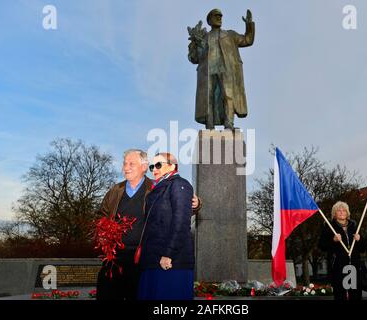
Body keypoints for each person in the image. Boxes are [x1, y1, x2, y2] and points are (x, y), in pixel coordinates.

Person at [96, 149, 201, 300]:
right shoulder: (115, 190)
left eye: (131, 163)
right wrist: (102, 234)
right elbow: (102, 215)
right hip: (114, 258)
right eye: (125, 163)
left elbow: (179, 211)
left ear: (144, 167)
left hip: (140, 258)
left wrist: (197, 204)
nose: (126, 167)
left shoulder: (155, 187)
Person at [137, 153, 195, 300]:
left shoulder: (179, 184)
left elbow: (181, 222)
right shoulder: (156, 189)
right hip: (152, 261)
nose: (154, 169)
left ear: (172, 166)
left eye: (158, 165)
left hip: (170, 263)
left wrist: (169, 254)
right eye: (152, 166)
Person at [188, 8, 255, 130]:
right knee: (208, 98)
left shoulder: (230, 35)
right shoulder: (204, 38)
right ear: (209, 21)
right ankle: (209, 125)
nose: (219, 18)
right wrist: (194, 43)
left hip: (226, 70)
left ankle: (229, 123)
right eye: (216, 16)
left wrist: (249, 24)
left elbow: (248, 40)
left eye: (220, 16)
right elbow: (193, 58)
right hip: (207, 71)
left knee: (228, 95)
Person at [318, 201, 367, 300]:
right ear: (334, 213)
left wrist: (360, 239)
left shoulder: (354, 227)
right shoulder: (329, 227)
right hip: (338, 267)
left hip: (353, 267)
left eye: (344, 210)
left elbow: (362, 249)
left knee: (355, 294)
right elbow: (322, 246)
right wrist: (333, 240)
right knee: (341, 294)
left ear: (347, 213)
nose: (341, 212)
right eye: (338, 210)